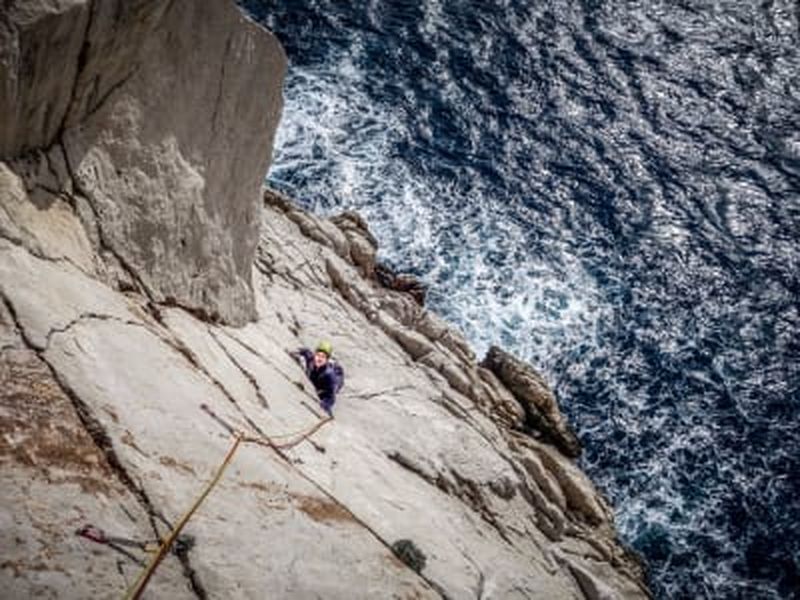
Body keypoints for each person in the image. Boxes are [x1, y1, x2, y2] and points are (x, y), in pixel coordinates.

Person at [292, 341, 344, 417]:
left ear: (326, 360)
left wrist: (325, 405)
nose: (319, 359)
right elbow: (306, 351)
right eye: (318, 355)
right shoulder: (311, 360)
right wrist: (298, 351)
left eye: (323, 357)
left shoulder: (329, 375)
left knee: (328, 391)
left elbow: (331, 397)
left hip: (334, 380)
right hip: (317, 375)